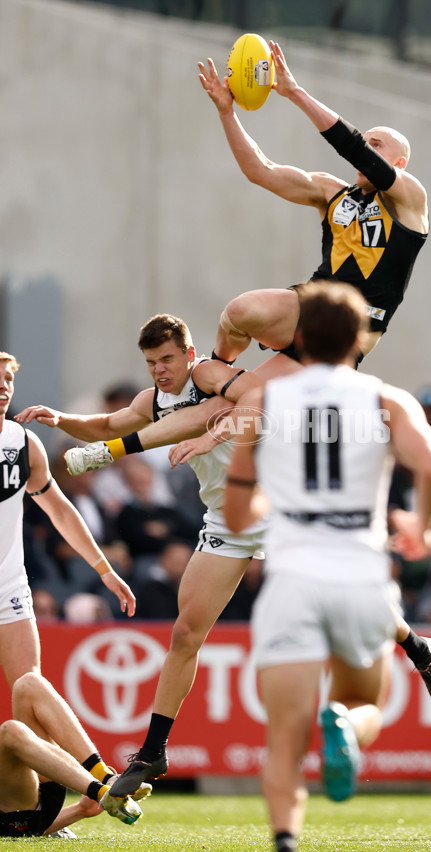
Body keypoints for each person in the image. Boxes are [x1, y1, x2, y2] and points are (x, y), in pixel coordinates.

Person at [16, 315, 299, 796]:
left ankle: (417, 648)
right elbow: (107, 423)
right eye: (151, 363)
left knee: (343, 594)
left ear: (189, 355)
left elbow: (259, 398)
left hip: (278, 502)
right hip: (225, 518)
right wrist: (62, 420)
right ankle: (153, 751)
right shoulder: (153, 400)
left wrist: (209, 435)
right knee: (186, 632)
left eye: (167, 359)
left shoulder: (209, 374)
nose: (160, 371)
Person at [221, 281, 431, 852]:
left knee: (284, 739)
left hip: (293, 578)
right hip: (360, 574)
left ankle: (284, 840)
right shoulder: (385, 399)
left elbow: (236, 510)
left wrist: (272, 500)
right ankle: (347, 728)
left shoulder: (264, 403)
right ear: (360, 339)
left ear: (298, 337)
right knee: (363, 700)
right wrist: (421, 526)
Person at [198, 40, 428, 365]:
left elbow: (353, 148)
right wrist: (227, 113)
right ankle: (211, 376)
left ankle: (213, 379)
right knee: (237, 329)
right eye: (367, 143)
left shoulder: (410, 198)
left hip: (352, 328)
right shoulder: (330, 191)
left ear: (400, 163)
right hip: (310, 307)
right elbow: (262, 171)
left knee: (256, 399)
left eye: (377, 145)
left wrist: (294, 92)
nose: (367, 149)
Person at [0, 352, 135, 690]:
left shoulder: (24, 443)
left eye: (9, 379)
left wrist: (104, 569)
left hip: (9, 589)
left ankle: (77, 748)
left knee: (30, 688)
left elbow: (60, 511)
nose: (5, 387)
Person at [0, 670, 148, 837]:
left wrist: (80, 810)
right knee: (12, 731)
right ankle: (102, 793)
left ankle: (105, 776)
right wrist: (78, 811)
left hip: (39, 795)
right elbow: (35, 826)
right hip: (14, 817)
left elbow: (41, 822)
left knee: (29, 683)